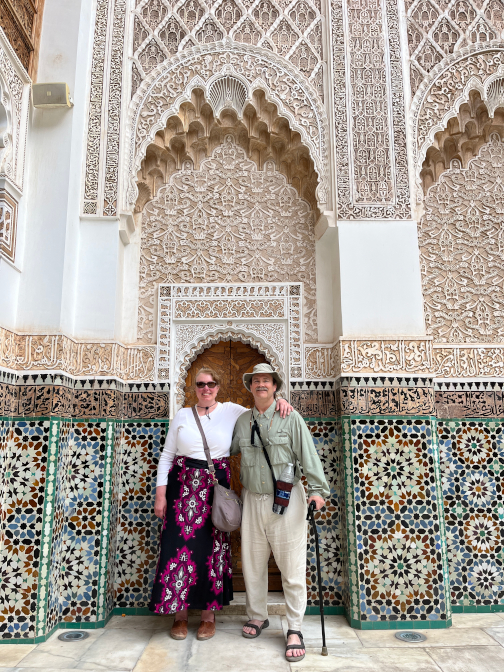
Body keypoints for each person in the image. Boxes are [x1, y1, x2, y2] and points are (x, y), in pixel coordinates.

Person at [149, 366, 292, 641]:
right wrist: (160, 494)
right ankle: (179, 616)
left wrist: (282, 400)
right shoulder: (182, 415)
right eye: (201, 384)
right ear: (194, 387)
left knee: (210, 552)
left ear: (218, 387)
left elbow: (263, 406)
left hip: (213, 489)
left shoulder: (232, 411)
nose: (206, 388)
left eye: (211, 384)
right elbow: (167, 456)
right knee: (176, 550)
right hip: (180, 490)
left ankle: (207, 617)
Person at [231, 363, 330, 662]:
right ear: (250, 387)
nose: (261, 385)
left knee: (292, 567)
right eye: (256, 381)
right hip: (252, 499)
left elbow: (308, 455)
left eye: (267, 381)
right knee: (252, 564)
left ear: (275, 387)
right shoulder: (242, 421)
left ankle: (295, 628)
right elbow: (230, 447)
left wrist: (318, 491)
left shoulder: (291, 417)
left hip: (287, 500)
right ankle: (258, 616)